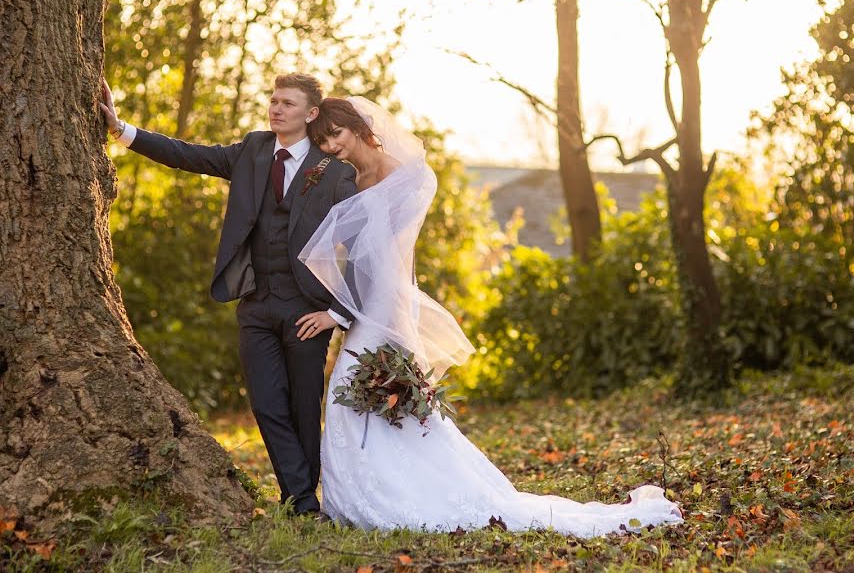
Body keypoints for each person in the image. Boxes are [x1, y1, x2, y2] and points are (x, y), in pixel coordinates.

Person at [298, 97, 684, 536]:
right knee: (355, 400)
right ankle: (365, 495)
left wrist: (338, 313)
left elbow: (387, 260)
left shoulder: (401, 175)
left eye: (336, 134)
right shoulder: (354, 177)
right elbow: (356, 258)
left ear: (357, 125)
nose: (330, 145)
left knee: (364, 394)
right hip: (369, 305)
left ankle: (403, 495)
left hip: (384, 306)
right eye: (323, 140)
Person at [99, 75, 357, 519]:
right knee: (265, 402)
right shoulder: (253, 150)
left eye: (288, 104)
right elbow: (188, 156)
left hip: (307, 309)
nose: (276, 109)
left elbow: (359, 248)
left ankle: (305, 492)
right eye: (273, 100)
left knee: (303, 402)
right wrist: (122, 130)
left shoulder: (334, 172)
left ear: (311, 114)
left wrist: (337, 313)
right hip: (254, 302)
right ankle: (301, 499)